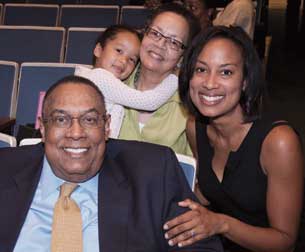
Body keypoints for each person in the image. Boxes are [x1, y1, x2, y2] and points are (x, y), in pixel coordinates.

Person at [0, 75, 224, 252]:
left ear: (107, 125)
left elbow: (200, 246)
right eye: (61, 119)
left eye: (89, 120)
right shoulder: (5, 169)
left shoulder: (152, 173)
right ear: (42, 126)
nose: (76, 133)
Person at [162, 26, 305, 252]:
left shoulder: (278, 142)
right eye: (200, 69)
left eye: (226, 72)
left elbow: (285, 240)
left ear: (245, 80)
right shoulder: (194, 127)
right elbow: (210, 192)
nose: (209, 83)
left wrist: (220, 224)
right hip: (216, 244)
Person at [119, 3, 200, 156]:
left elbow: (191, 171)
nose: (160, 45)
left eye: (174, 42)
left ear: (183, 56)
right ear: (144, 34)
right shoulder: (113, 84)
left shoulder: (190, 105)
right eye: (156, 33)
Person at [75, 25, 178, 139]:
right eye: (119, 51)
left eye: (132, 59)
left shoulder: (92, 77)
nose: (124, 61)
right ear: (98, 50)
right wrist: (175, 77)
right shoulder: (100, 78)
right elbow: (150, 101)